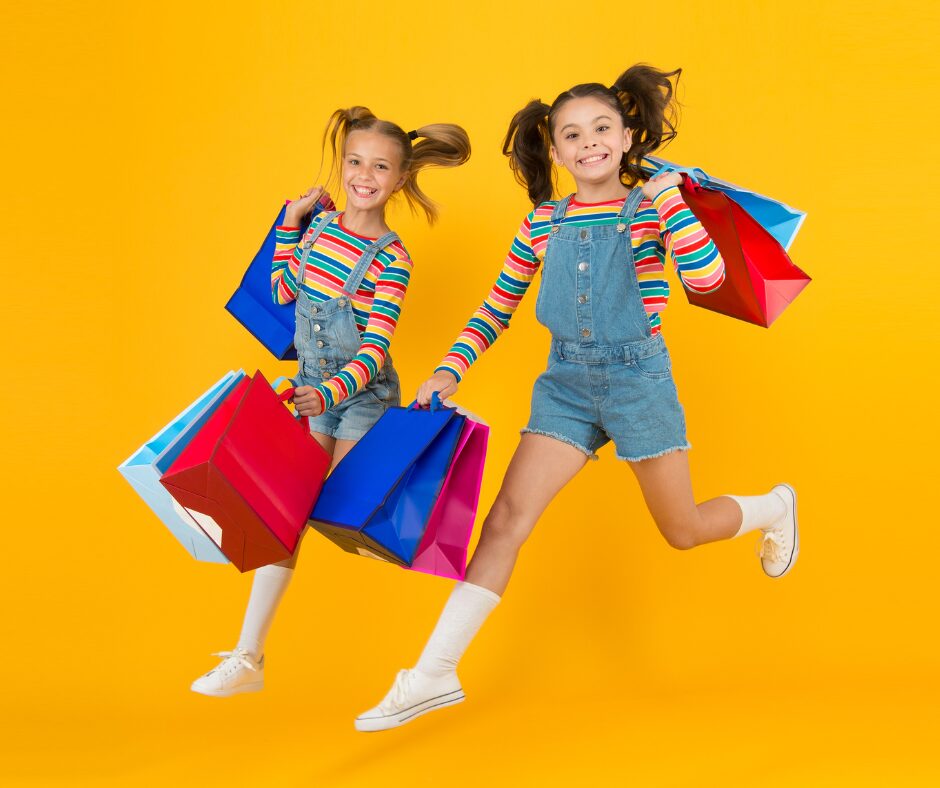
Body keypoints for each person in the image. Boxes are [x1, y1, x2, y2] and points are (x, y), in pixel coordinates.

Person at [355, 65, 798, 732]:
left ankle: (773, 507)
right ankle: (432, 673)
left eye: (601, 128)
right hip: (565, 385)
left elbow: (706, 280)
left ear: (625, 138)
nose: (588, 141)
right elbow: (496, 308)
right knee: (505, 519)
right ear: (556, 152)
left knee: (681, 531)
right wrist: (450, 370)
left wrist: (672, 199)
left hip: (637, 380)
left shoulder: (652, 207)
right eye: (571, 134)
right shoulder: (542, 222)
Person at [191, 107, 471, 697]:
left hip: (361, 395)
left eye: (380, 167)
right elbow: (282, 291)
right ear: (341, 165)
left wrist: (326, 393)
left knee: (349, 508)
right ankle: (248, 656)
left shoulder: (394, 260)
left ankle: (433, 468)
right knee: (285, 511)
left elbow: (373, 352)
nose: (364, 175)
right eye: (355, 161)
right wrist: (291, 224)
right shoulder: (320, 230)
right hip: (315, 386)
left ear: (399, 179)